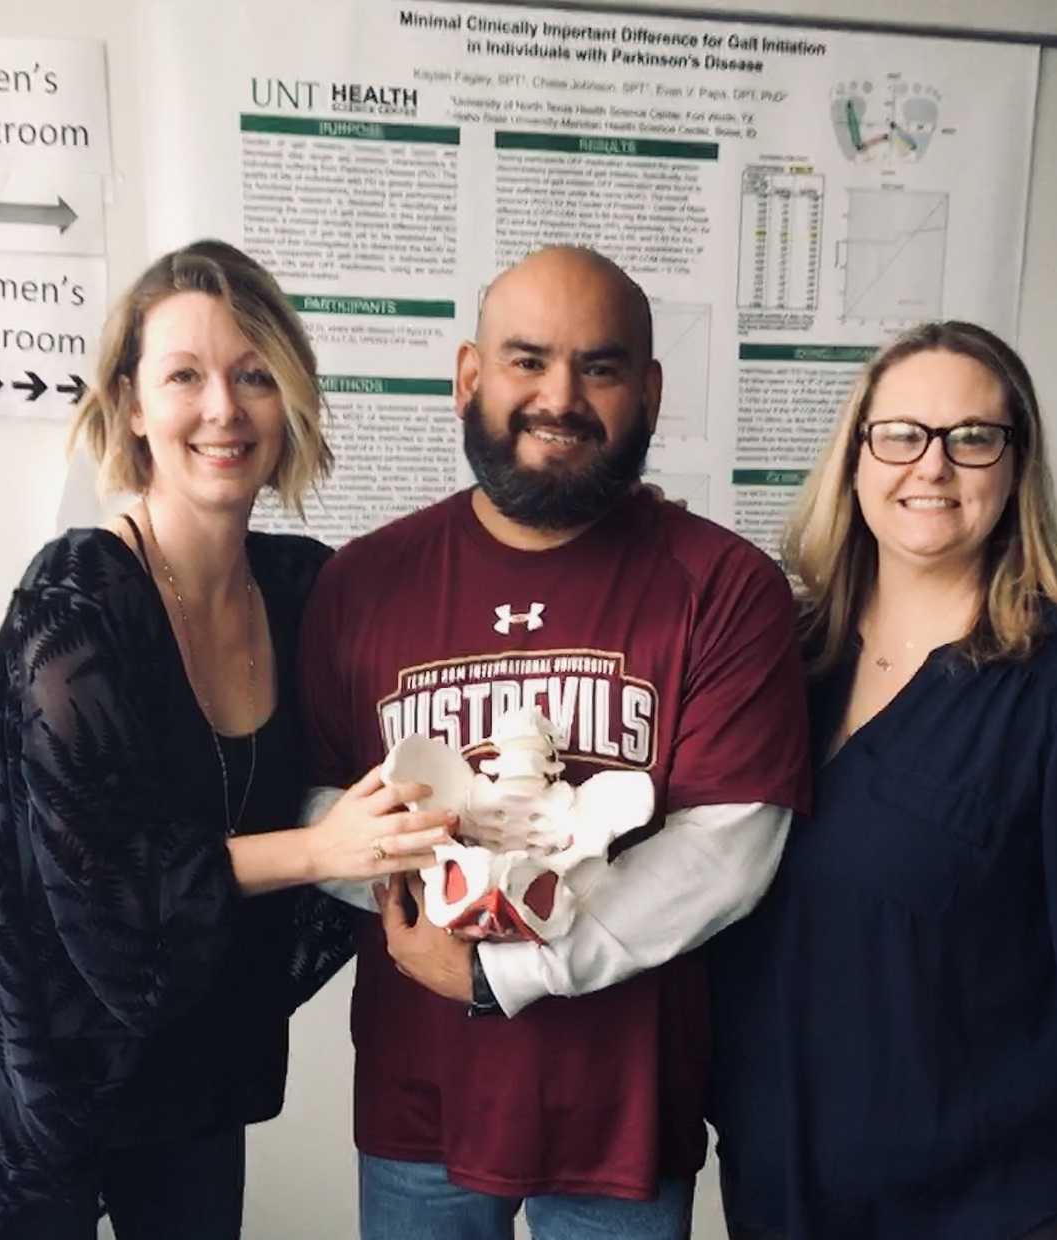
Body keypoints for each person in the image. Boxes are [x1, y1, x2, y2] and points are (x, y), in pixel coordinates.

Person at [0, 240, 453, 1240]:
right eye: (185, 376)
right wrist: (320, 853)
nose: (223, 409)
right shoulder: (75, 598)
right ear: (129, 404)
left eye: (253, 375)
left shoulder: (303, 589)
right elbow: (107, 890)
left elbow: (365, 774)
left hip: (188, 1067)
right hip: (20, 1076)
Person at [296, 245, 811, 1240]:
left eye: (600, 367)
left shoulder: (725, 586)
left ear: (649, 391)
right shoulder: (361, 583)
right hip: (420, 1102)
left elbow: (730, 847)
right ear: (470, 376)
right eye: (526, 360)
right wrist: (447, 878)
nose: (560, 397)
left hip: (621, 1109)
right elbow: (314, 810)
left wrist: (506, 966)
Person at [709, 321, 1057, 1240]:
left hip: (993, 1197)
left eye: (973, 438)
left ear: (1016, 469)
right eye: (900, 434)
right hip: (784, 1183)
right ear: (855, 461)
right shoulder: (782, 663)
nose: (931, 466)